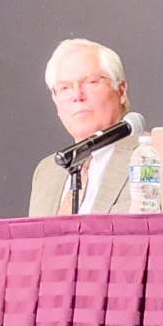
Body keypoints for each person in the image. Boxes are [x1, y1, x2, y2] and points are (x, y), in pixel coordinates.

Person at [28, 38, 138, 216]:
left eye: (91, 82)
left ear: (121, 90)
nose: (77, 95)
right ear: (55, 101)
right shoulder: (48, 172)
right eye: (65, 88)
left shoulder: (154, 156)